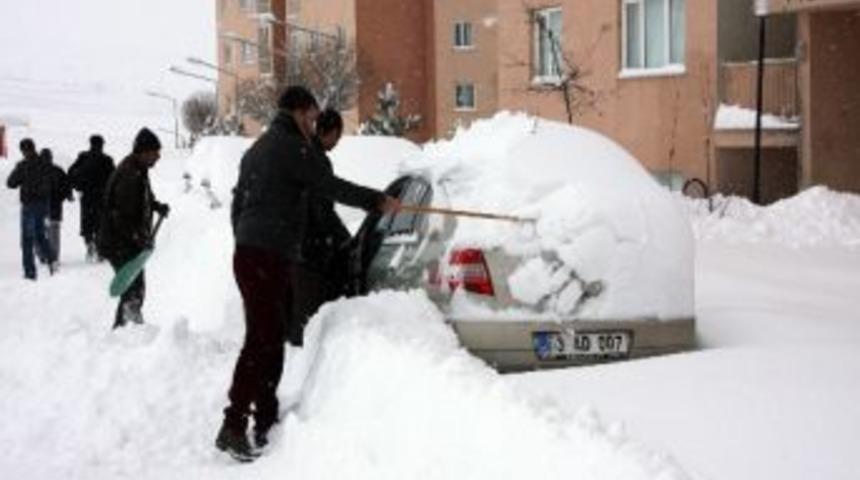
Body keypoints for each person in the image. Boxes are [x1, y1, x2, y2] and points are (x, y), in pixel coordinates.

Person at [216, 86, 400, 462]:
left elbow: (238, 206)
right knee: (261, 339)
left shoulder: (258, 149)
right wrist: (378, 201)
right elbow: (329, 187)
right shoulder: (291, 148)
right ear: (300, 113)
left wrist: (251, 240)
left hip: (257, 254)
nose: (314, 126)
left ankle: (264, 416)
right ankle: (233, 424)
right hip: (266, 256)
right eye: (313, 118)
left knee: (270, 335)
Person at [96, 128, 170, 329]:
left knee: (134, 287)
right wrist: (139, 238)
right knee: (133, 288)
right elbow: (120, 216)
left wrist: (156, 206)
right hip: (117, 241)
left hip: (125, 240)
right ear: (144, 151)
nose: (158, 156)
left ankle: (126, 328)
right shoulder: (130, 174)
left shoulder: (138, 169)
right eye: (155, 152)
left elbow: (143, 198)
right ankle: (126, 330)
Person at [292, 109, 353, 336]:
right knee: (309, 313)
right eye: (338, 136)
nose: (337, 142)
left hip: (298, 243)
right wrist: (341, 239)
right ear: (332, 132)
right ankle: (304, 354)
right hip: (311, 247)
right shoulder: (318, 161)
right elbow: (322, 208)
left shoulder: (305, 154)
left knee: (300, 307)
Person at [6, 139, 57, 280]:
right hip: (43, 205)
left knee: (27, 240)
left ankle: (30, 273)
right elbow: (52, 182)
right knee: (40, 236)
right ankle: (52, 260)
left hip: (29, 206)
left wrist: (21, 173)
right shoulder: (45, 164)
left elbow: (10, 183)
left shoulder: (23, 165)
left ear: (23, 150)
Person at [69, 134, 115, 262]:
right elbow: (114, 178)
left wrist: (76, 186)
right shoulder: (107, 160)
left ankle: (89, 245)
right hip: (102, 197)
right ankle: (100, 250)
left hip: (87, 196)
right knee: (101, 224)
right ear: (102, 145)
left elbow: (71, 172)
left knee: (87, 223)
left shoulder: (83, 157)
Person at [42, 148, 74, 265]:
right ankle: (54, 256)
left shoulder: (36, 170)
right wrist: (67, 196)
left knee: (39, 232)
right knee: (54, 233)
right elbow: (67, 186)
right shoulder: (58, 171)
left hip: (39, 207)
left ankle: (43, 255)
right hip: (55, 207)